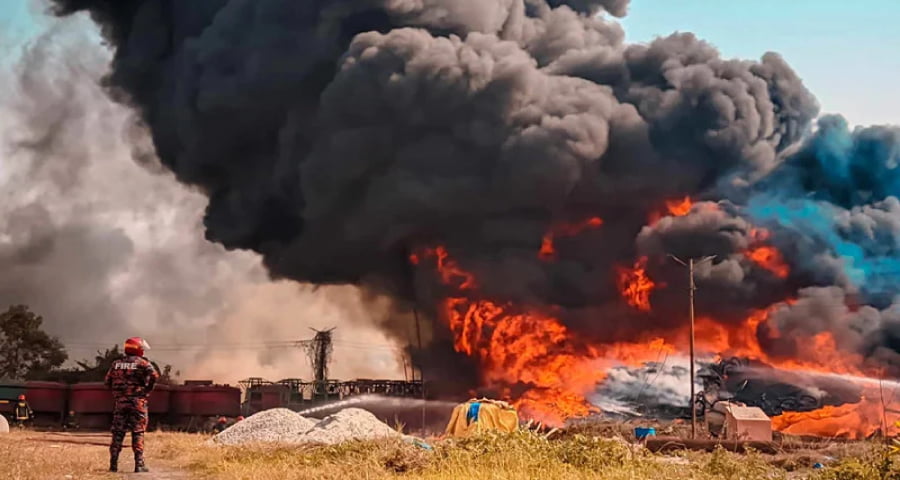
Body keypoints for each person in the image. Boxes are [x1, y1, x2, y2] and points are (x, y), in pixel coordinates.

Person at [105, 336, 159, 473]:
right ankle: (139, 464)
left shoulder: (116, 364)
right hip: (138, 403)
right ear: (139, 349)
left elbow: (107, 382)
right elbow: (154, 376)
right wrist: (147, 389)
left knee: (118, 433)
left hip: (121, 403)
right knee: (138, 432)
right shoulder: (143, 363)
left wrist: (118, 393)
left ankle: (113, 464)